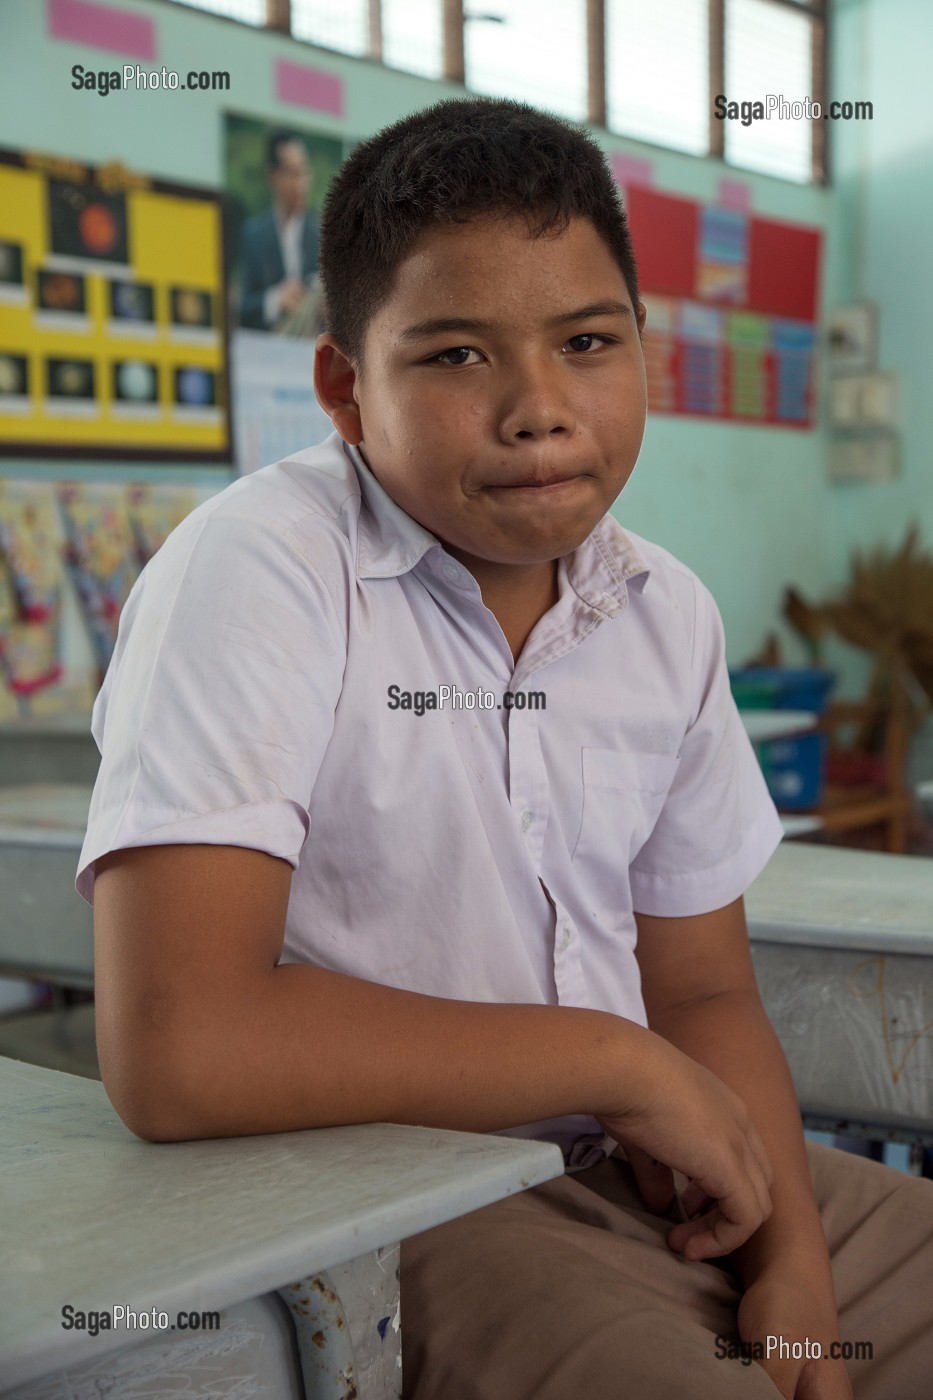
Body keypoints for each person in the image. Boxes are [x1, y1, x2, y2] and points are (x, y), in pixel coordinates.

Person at [79, 96, 933, 1399]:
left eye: (587, 341)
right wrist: (613, 1060)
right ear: (345, 388)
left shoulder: (664, 614)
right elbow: (180, 1045)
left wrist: (792, 1259)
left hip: (642, 1169)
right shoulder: (261, 570)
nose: (539, 409)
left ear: (641, 349)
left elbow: (702, 995)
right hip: (395, 1197)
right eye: (457, 357)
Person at [237, 128, 321, 331]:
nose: (301, 183)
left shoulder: (323, 234)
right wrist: (275, 300)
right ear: (272, 176)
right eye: (292, 173)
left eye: (304, 172)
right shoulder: (253, 235)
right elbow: (241, 309)